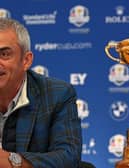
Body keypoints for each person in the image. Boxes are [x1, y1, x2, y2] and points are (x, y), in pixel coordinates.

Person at [0, 17, 82, 167]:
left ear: (26, 60)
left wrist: (13, 162)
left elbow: (69, 156)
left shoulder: (57, 94)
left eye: (4, 54)